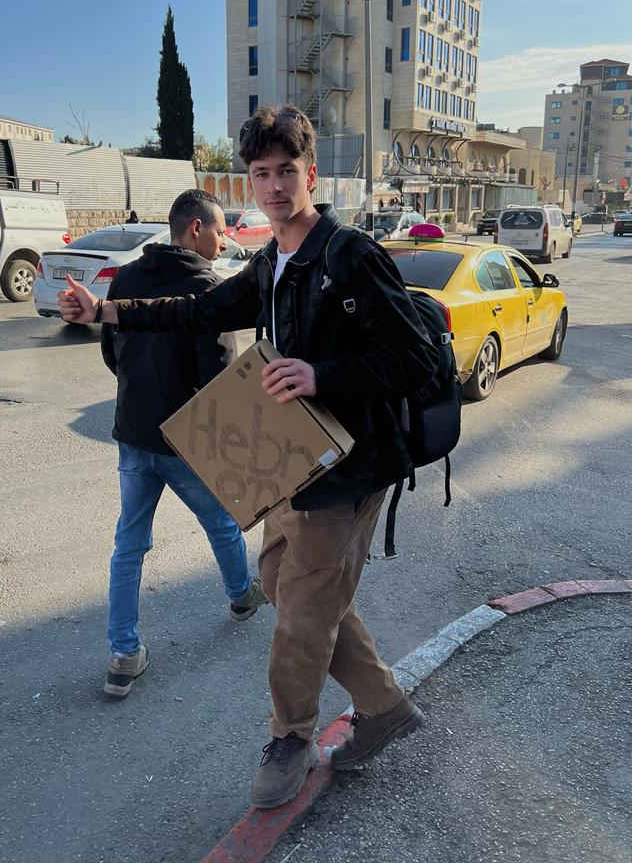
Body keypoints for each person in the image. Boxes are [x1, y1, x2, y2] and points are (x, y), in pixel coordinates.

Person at [59, 108, 438, 806]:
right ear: (250, 183)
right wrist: (105, 312)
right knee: (280, 582)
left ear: (310, 174)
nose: (274, 186)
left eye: (286, 171)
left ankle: (290, 736)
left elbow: (416, 356)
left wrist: (322, 375)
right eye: (261, 174)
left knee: (302, 613)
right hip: (294, 460)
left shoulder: (351, 255)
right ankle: (384, 707)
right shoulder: (270, 263)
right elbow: (196, 310)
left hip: (350, 468)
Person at [99, 189, 267, 700]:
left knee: (129, 544)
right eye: (219, 231)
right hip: (184, 438)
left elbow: (111, 352)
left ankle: (123, 655)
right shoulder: (206, 288)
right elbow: (221, 376)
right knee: (220, 521)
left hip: (133, 430)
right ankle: (241, 595)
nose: (224, 242)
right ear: (196, 229)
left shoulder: (126, 277)